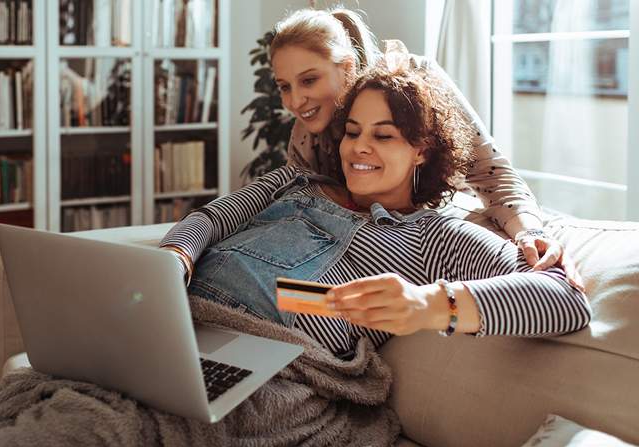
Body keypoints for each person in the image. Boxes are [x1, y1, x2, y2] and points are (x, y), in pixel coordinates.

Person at [159, 61, 590, 355]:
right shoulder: (293, 180)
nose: (359, 147)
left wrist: (428, 305)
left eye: (383, 136)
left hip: (266, 366)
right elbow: (210, 219)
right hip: (171, 328)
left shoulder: (433, 235)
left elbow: (566, 299)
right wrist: (173, 260)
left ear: (421, 151)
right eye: (352, 131)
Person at [267, 7, 583, 289]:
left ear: (347, 67)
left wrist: (529, 234)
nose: (294, 101)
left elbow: (492, 175)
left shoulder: (415, 84)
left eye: (309, 81)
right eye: (284, 87)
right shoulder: (305, 137)